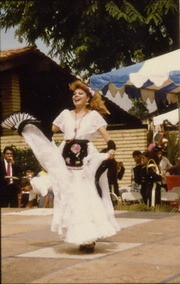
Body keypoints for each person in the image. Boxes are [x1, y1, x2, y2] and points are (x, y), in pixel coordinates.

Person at [1, 80, 120, 253]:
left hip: (85, 160)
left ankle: (89, 237)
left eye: (80, 94)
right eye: (74, 94)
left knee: (85, 196)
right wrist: (25, 129)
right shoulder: (65, 114)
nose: (76, 96)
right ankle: (80, 235)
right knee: (70, 196)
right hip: (65, 159)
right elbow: (49, 132)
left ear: (88, 98)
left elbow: (107, 137)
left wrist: (112, 149)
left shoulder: (94, 116)